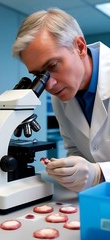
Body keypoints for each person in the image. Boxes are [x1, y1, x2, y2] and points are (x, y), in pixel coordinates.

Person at [12, 8, 110, 193]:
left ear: (79, 47)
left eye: (53, 65)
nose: (49, 85)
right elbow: (75, 150)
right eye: (39, 75)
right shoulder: (61, 92)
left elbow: (95, 171)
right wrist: (69, 170)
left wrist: (100, 173)